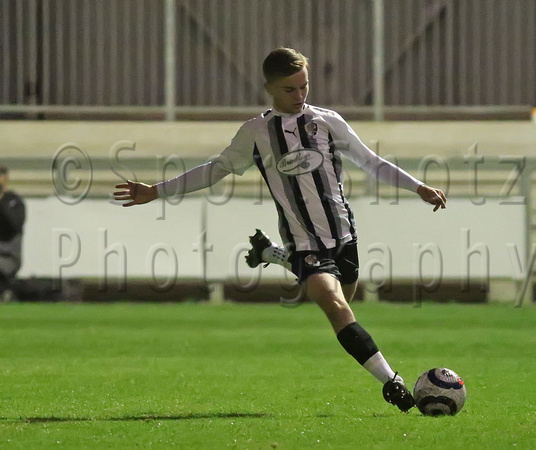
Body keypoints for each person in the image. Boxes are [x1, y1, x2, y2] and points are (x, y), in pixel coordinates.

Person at [114, 48, 446, 413]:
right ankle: (391, 381)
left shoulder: (328, 122)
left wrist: (418, 187)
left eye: (304, 86)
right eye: (290, 89)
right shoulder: (256, 132)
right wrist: (156, 190)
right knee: (335, 306)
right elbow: (214, 170)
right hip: (304, 241)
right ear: (270, 87)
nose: (300, 95)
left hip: (343, 238)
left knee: (345, 305)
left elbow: (371, 161)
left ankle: (273, 254)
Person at [0, 165, 26, 302]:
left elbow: (15, 225)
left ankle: (6, 292)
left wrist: (1, 200)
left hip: (7, 254)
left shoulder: (14, 201)